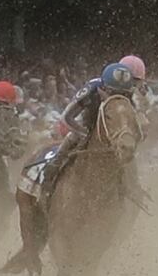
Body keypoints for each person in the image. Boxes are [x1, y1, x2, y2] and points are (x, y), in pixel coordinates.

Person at [28, 60, 141, 206]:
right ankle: (47, 185)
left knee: (128, 155)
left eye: (122, 94)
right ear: (102, 89)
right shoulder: (91, 89)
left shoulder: (129, 95)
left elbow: (132, 123)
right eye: (112, 93)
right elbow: (66, 117)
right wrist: (83, 133)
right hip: (87, 124)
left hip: (113, 131)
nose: (117, 97)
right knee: (66, 146)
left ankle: (132, 189)